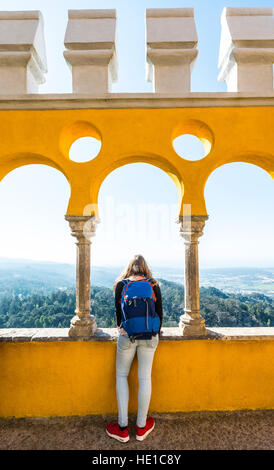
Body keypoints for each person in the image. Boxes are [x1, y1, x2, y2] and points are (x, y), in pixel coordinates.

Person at [106, 254, 163, 443]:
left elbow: (118, 317)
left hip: (127, 337)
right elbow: (160, 314)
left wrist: (123, 330)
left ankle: (122, 428)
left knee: (121, 376)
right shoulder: (153, 284)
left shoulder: (121, 285)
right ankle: (141, 427)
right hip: (149, 336)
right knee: (144, 378)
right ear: (145, 267)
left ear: (129, 267)